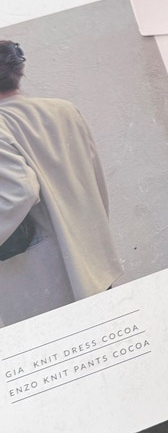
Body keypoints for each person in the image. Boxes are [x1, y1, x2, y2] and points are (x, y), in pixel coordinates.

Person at [0, 40, 123, 326]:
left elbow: (20, 192)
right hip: (94, 264)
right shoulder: (64, 109)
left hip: (43, 282)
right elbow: (93, 179)